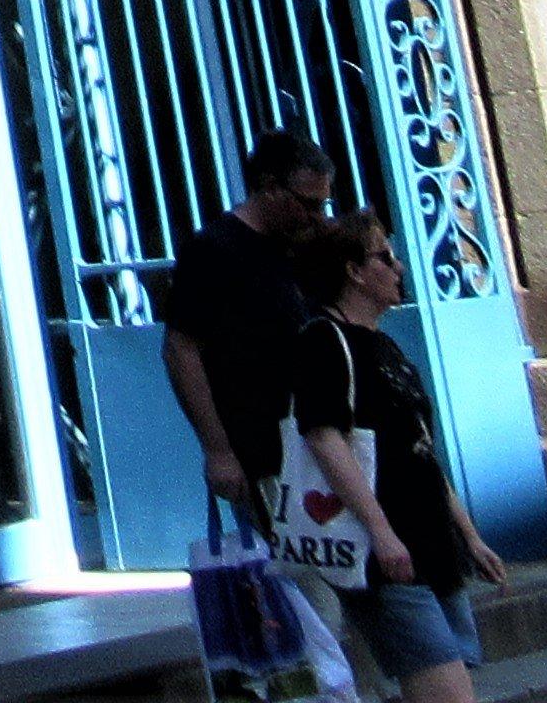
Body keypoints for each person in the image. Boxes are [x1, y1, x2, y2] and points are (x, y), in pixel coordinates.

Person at [284, 215, 513, 703]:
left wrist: (468, 534)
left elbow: (419, 447)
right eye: (384, 256)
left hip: (430, 544)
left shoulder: (384, 344)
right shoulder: (325, 341)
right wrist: (382, 533)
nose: (400, 266)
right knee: (447, 692)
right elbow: (325, 440)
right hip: (386, 554)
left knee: (450, 682)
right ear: (354, 272)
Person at [158, 124, 337, 517]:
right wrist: (218, 449)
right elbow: (181, 349)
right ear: (270, 186)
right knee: (299, 570)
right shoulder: (214, 251)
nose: (314, 217)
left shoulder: (299, 247)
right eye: (307, 204)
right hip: (262, 449)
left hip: (320, 441)